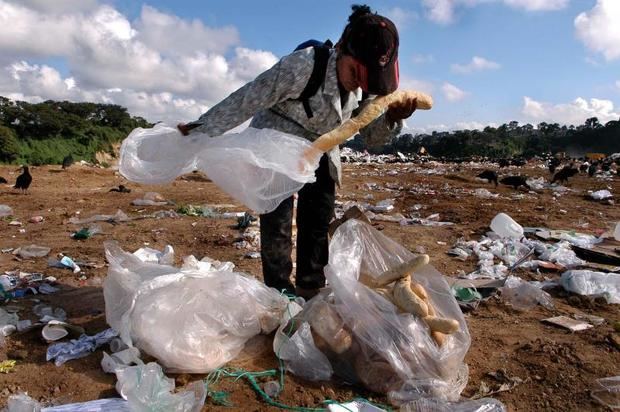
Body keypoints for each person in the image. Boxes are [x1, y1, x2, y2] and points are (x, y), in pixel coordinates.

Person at [178, 4, 417, 298]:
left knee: (317, 218)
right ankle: (279, 292)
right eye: (356, 72)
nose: (360, 83)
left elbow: (371, 137)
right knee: (277, 221)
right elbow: (248, 99)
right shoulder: (304, 66)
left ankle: (310, 286)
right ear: (342, 48)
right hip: (277, 143)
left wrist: (393, 118)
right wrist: (202, 128)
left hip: (321, 149)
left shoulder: (367, 88)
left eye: (368, 79)